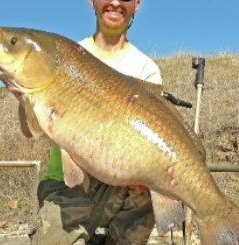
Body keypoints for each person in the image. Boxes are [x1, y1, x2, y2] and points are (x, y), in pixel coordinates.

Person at [19, 0, 163, 244]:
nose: (116, 2)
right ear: (92, 1)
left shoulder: (147, 69)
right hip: (65, 184)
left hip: (122, 184)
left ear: (137, 4)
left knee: (149, 187)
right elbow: (29, 130)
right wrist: (23, 95)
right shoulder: (62, 54)